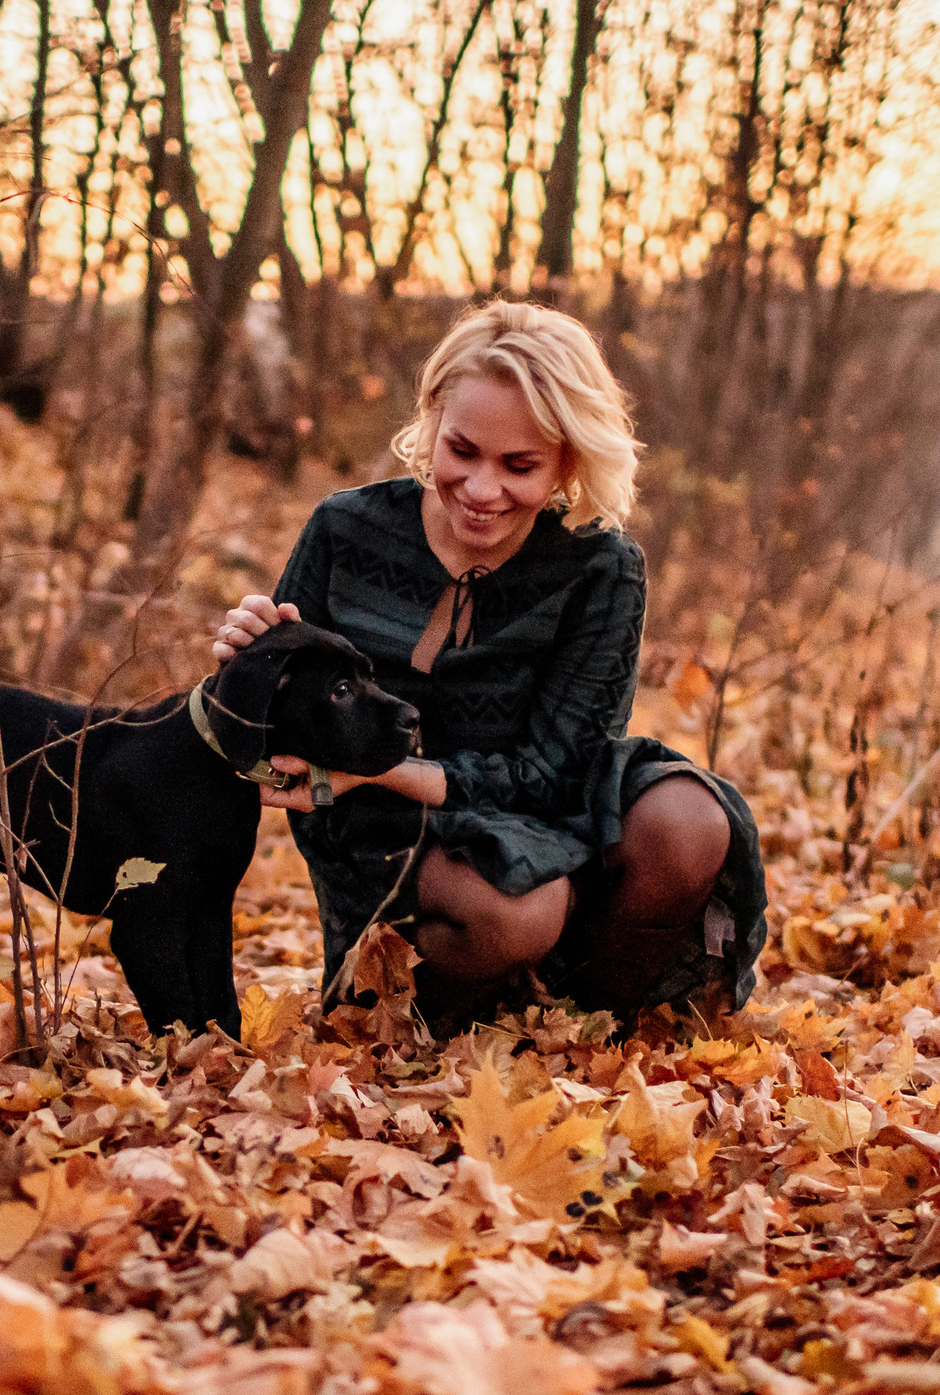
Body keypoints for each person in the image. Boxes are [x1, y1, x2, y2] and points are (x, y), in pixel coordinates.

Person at [209, 299, 768, 1028]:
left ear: (569, 457)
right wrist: (245, 653)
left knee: (690, 823)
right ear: (434, 419)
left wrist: (381, 764)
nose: (481, 489)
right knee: (514, 907)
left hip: (533, 801)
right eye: (462, 451)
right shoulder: (345, 529)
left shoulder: (600, 567)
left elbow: (557, 771)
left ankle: (574, 1020)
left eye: (520, 465)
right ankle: (403, 1003)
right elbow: (279, 716)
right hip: (383, 827)